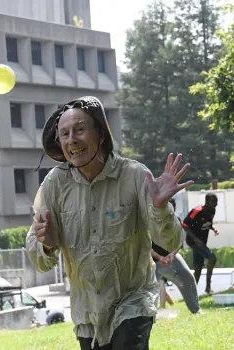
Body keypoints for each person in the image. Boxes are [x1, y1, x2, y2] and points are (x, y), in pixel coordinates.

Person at [26, 96, 193, 350]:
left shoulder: (135, 175)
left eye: (80, 130)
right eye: (65, 134)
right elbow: (38, 259)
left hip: (133, 302)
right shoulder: (53, 185)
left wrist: (160, 209)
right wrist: (46, 245)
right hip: (87, 314)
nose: (72, 140)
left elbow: (170, 242)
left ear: (101, 134)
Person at [151, 198, 200, 314]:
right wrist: (158, 257)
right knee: (149, 287)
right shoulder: (150, 220)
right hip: (151, 257)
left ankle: (196, 309)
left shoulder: (175, 220)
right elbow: (145, 245)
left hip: (170, 256)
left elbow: (179, 242)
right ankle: (149, 314)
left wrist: (172, 255)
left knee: (188, 277)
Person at [182, 193, 219, 295]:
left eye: (216, 202)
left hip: (202, 242)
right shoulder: (197, 211)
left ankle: (191, 292)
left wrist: (213, 228)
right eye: (213, 202)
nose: (216, 204)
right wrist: (195, 239)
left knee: (198, 267)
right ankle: (208, 288)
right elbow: (184, 225)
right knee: (212, 258)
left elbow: (208, 223)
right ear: (207, 202)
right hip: (193, 241)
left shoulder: (212, 210)